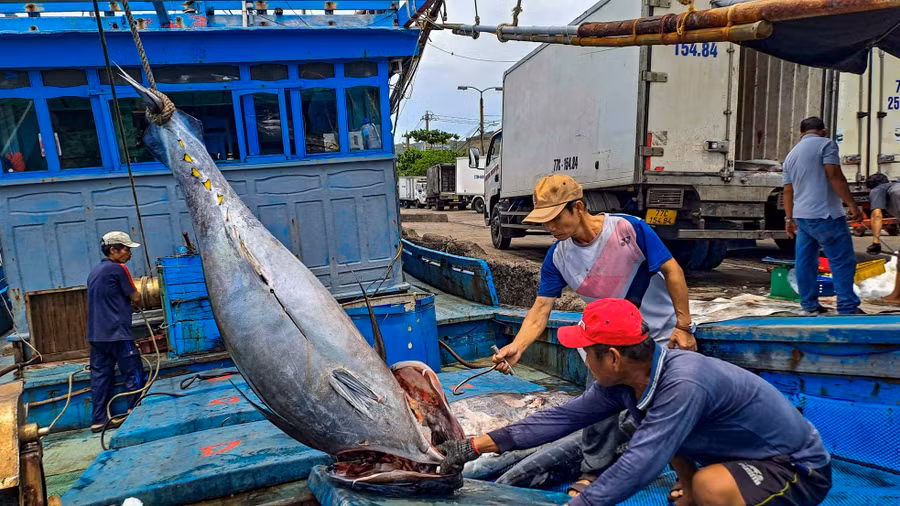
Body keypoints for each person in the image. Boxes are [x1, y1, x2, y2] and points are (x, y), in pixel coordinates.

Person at [439, 299, 832, 506]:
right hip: (737, 454)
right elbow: (560, 420)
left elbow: (642, 462)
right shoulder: (628, 380)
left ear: (611, 357)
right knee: (691, 483)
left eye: (587, 353)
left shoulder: (683, 384)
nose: (584, 361)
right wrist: (472, 447)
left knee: (710, 487)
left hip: (796, 468)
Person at [491, 174, 696, 498]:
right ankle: (593, 470)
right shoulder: (557, 257)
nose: (550, 228)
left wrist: (683, 327)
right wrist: (517, 346)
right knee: (596, 408)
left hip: (655, 334)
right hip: (607, 339)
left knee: (670, 405)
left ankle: (684, 475)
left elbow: (672, 271)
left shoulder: (629, 229)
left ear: (579, 207)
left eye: (556, 218)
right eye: (544, 222)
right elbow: (541, 308)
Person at [783, 117, 862, 315]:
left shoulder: (791, 155)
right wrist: (852, 204)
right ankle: (847, 306)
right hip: (825, 214)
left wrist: (788, 219)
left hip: (802, 216)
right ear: (824, 131)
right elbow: (834, 176)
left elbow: (787, 191)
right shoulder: (827, 145)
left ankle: (809, 304)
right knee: (842, 260)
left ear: (801, 133)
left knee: (805, 261)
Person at [87, 231, 145, 432]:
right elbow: (135, 297)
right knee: (133, 371)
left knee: (100, 377)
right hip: (118, 333)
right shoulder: (119, 269)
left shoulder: (95, 271)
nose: (129, 253)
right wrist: (138, 302)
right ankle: (135, 412)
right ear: (113, 250)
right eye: (127, 249)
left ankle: (98, 420)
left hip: (97, 335)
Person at [864, 173, 900, 304]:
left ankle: (897, 297)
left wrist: (875, 241)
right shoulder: (895, 188)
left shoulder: (878, 190)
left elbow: (877, 215)